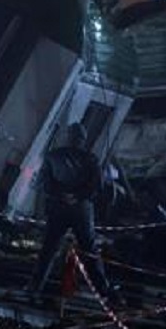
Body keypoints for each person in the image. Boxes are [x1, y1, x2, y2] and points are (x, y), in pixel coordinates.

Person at [26, 122, 119, 304]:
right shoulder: (91, 159)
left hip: (58, 208)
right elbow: (97, 186)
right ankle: (103, 290)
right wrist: (78, 196)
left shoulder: (53, 156)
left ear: (68, 137)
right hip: (81, 210)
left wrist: (61, 194)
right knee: (90, 250)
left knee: (48, 249)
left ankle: (34, 288)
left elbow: (43, 184)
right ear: (82, 139)